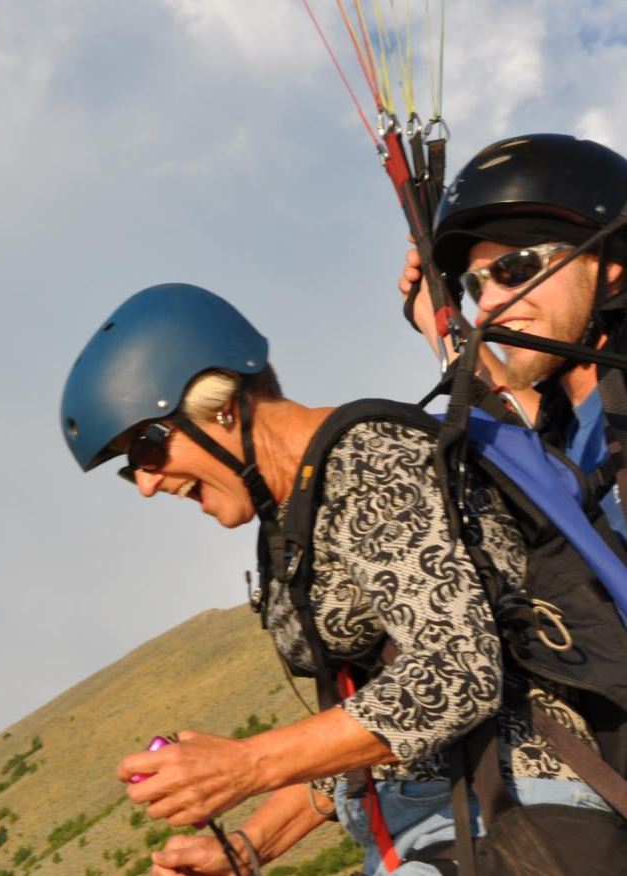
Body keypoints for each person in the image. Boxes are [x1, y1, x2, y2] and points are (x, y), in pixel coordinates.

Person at [60, 282, 614, 875]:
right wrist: (248, 849)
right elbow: (378, 717)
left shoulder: (372, 459)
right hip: (428, 836)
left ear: (221, 402)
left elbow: (457, 674)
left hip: (511, 814)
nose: (146, 482)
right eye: (129, 468)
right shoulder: (291, 511)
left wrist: (247, 764)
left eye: (148, 446)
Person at [398, 133, 627, 543]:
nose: (485, 305)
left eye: (515, 268)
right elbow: (511, 408)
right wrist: (437, 318)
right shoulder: (564, 425)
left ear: (605, 263)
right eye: (475, 285)